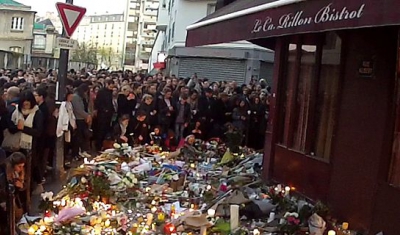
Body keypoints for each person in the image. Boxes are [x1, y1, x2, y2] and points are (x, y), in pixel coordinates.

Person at [7, 91, 43, 194]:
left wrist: (23, 128)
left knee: (27, 170)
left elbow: (38, 132)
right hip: (16, 146)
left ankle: (27, 191)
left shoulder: (37, 113)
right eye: (24, 102)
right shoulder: (16, 112)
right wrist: (17, 127)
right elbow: (10, 127)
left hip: (30, 146)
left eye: (28, 102)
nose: (26, 104)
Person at [0, 152, 26, 232]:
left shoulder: (18, 173)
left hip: (13, 199)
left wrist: (21, 185)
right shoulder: (3, 175)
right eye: (19, 166)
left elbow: (23, 186)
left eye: (22, 166)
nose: (21, 169)